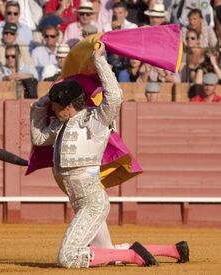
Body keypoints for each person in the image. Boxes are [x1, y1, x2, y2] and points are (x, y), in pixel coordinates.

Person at [30, 41, 189, 268]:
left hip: (92, 203)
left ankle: (133, 256)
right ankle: (172, 250)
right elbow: (38, 138)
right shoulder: (60, 126)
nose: (52, 109)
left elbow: (114, 96)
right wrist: (38, 106)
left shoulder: (94, 120)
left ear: (68, 105)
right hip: (80, 200)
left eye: (55, 105)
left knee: (69, 256)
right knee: (108, 252)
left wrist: (99, 61)